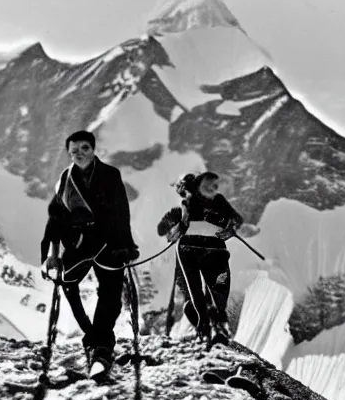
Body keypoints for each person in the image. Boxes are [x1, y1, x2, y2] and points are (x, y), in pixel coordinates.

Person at [41, 130, 139, 378]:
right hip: (79, 243)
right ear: (69, 154)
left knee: (111, 292)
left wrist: (125, 245)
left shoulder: (110, 175)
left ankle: (102, 349)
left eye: (84, 148)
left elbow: (121, 212)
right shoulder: (66, 179)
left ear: (93, 149)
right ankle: (92, 333)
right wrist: (53, 254)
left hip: (109, 243)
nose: (79, 154)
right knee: (68, 281)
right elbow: (56, 218)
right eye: (74, 151)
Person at [157, 171, 243, 350]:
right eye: (207, 185)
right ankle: (213, 329)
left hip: (193, 248)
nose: (212, 188)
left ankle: (207, 329)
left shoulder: (187, 207)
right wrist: (228, 228)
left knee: (200, 292)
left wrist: (173, 230)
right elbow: (236, 220)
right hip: (210, 249)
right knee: (212, 291)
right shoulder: (212, 203)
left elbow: (162, 228)